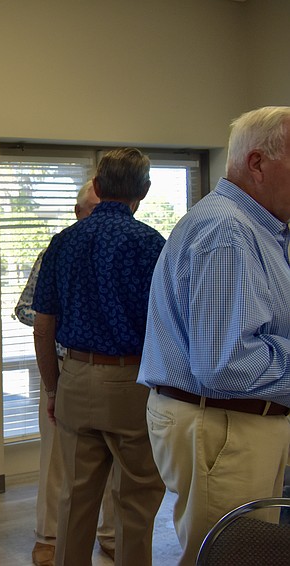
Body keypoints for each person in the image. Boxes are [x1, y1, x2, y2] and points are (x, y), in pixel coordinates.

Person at [138, 106, 290, 565]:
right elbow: (226, 364)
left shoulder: (259, 229)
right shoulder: (229, 231)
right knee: (232, 557)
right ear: (258, 163)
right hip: (225, 424)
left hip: (234, 421)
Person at [32, 148, 167, 566]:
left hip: (75, 378)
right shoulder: (150, 245)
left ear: (97, 185)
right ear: (144, 190)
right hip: (132, 384)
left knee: (75, 498)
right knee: (136, 501)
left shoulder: (62, 243)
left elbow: (43, 325)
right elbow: (166, 324)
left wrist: (52, 388)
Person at [15, 180, 115, 566]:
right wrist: (64, 321)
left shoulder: (126, 249)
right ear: (77, 212)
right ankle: (49, 537)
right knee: (57, 460)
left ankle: (110, 534)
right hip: (62, 368)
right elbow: (25, 309)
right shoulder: (57, 251)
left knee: (116, 461)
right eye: (94, 209)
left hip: (118, 372)